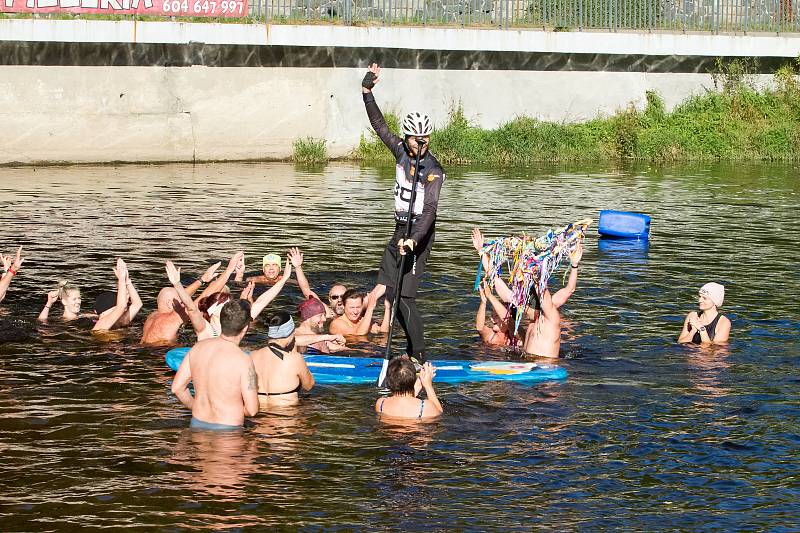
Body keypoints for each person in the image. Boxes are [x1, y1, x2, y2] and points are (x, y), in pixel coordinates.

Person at [362, 63, 445, 364]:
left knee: (405, 297)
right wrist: (367, 92)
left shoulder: (433, 170)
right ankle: (409, 353)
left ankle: (419, 357)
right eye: (415, 139)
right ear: (408, 138)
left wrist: (413, 241)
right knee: (389, 294)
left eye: (425, 139)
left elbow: (431, 211)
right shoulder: (400, 151)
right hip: (399, 228)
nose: (420, 144)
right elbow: (379, 126)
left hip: (418, 234)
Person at [472, 228, 583, 358]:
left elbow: (565, 290)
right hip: (529, 370)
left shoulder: (551, 319)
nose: (521, 308)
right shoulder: (527, 329)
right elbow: (497, 282)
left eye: (524, 305)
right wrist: (481, 251)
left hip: (547, 375)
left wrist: (573, 265)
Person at [171, 299, 259, 430]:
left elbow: (177, 388)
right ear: (246, 328)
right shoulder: (244, 360)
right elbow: (252, 410)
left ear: (222, 322)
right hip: (228, 429)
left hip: (198, 424)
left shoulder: (197, 348)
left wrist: (195, 405)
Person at [140, 251, 241, 346]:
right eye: (180, 300)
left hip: (146, 348)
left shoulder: (152, 316)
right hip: (161, 352)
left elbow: (183, 296)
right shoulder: (173, 318)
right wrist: (229, 270)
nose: (184, 301)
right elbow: (204, 295)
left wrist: (202, 280)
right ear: (169, 303)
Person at [250, 311, 315, 408]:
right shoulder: (294, 359)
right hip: (286, 419)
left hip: (259, 418)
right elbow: (309, 386)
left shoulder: (252, 356)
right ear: (291, 332)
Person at [375, 358, 442, 420]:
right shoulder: (424, 407)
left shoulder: (381, 404)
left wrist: (418, 385)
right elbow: (439, 413)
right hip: (415, 432)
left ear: (388, 381)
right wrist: (428, 385)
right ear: (413, 379)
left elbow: (402, 404)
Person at [289, 246, 344, 319]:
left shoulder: (358, 310)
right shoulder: (327, 313)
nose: (339, 300)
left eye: (343, 297)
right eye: (335, 297)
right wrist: (298, 267)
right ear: (329, 300)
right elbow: (306, 291)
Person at [92, 258, 143, 332]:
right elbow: (121, 307)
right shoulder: (100, 324)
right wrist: (121, 279)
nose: (121, 313)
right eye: (114, 309)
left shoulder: (119, 321)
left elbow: (137, 304)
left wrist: (127, 281)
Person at [475, 282, 513, 347]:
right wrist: (483, 302)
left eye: (496, 316)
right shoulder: (490, 335)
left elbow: (508, 320)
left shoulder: (514, 338)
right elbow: (480, 327)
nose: (492, 319)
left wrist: (490, 296)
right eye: (492, 316)